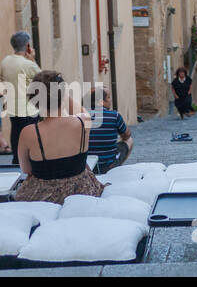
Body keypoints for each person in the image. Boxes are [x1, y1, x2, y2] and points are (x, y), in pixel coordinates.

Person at [14, 70, 103, 205]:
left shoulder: (29, 133)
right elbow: (81, 110)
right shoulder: (83, 121)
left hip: (42, 195)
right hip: (82, 190)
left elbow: (26, 170)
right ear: (63, 95)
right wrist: (63, 94)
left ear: (34, 101)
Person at [2, 31, 40, 165]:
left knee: (16, 133)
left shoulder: (6, 61)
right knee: (31, 134)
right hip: (29, 107)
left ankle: (17, 160)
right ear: (28, 45)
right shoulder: (29, 65)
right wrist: (33, 59)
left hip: (13, 106)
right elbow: (43, 79)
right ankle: (30, 161)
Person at [87, 86, 133, 174]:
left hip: (88, 167)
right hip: (108, 166)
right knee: (129, 140)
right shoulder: (114, 116)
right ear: (101, 101)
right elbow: (127, 135)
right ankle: (115, 170)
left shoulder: (81, 117)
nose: (110, 100)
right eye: (108, 97)